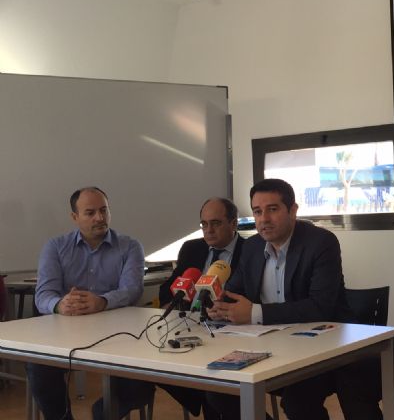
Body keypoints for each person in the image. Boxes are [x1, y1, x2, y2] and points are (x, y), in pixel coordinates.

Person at [205, 178, 350, 420]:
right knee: (220, 389)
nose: (264, 219)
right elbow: (233, 291)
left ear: (293, 211)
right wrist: (219, 306)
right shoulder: (252, 247)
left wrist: (254, 313)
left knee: (298, 402)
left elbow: (320, 307)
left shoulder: (321, 243)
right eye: (257, 211)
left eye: (272, 209)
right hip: (268, 345)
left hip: (319, 349)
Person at [98, 197, 245, 420]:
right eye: (204, 224)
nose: (208, 230)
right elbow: (168, 289)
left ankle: (208, 396)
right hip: (191, 328)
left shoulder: (251, 249)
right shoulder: (192, 248)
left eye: (215, 223)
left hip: (231, 330)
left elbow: (251, 295)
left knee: (215, 387)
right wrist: (174, 302)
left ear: (233, 223)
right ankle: (198, 395)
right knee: (148, 356)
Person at [27, 187, 147, 420]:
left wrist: (102, 301)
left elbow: (133, 290)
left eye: (104, 210)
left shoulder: (130, 246)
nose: (99, 218)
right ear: (75, 217)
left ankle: (103, 412)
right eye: (90, 213)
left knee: (138, 377)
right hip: (65, 335)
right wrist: (60, 304)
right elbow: (43, 295)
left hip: (118, 335)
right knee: (38, 366)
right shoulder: (55, 247)